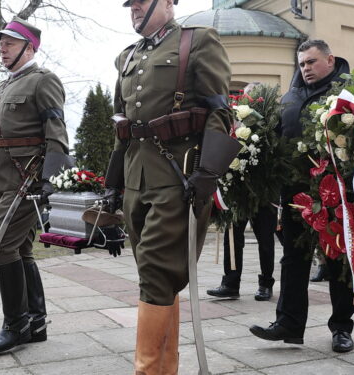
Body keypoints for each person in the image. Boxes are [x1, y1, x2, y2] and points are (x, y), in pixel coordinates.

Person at [103, 0, 239, 372]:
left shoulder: (197, 42)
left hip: (177, 175)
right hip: (136, 178)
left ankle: (146, 370)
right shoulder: (126, 57)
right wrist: (112, 184)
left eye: (141, 3)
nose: (133, 10)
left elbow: (219, 110)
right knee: (157, 279)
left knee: (155, 273)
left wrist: (207, 174)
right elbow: (123, 126)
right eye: (130, 5)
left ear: (167, 3)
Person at [249, 39, 354, 353]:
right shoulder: (290, 98)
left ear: (330, 60)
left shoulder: (349, 95)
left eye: (311, 62)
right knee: (294, 258)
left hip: (337, 192)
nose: (306, 68)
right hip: (295, 193)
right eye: (301, 64)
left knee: (338, 260)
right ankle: (289, 324)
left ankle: (341, 327)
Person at [0, 17, 70, 355]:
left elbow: (57, 135)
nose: (2, 48)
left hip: (27, 181)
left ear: (29, 47)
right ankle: (36, 322)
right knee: (20, 248)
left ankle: (16, 324)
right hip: (5, 179)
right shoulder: (4, 86)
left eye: (10, 43)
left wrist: (49, 181)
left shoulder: (43, 81)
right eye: (1, 42)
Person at [206, 204, 276, 301]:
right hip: (239, 195)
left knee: (265, 238)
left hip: (264, 195)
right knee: (232, 236)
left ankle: (266, 284)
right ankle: (231, 284)